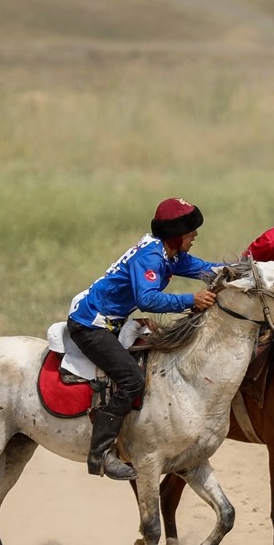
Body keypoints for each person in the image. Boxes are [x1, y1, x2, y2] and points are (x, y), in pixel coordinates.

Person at [67, 197, 221, 480]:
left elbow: (206, 268)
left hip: (114, 322)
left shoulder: (169, 254)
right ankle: (99, 454)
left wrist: (245, 273)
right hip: (90, 325)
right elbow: (147, 298)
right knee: (132, 379)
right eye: (191, 231)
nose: (195, 235)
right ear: (176, 235)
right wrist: (192, 300)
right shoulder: (150, 257)